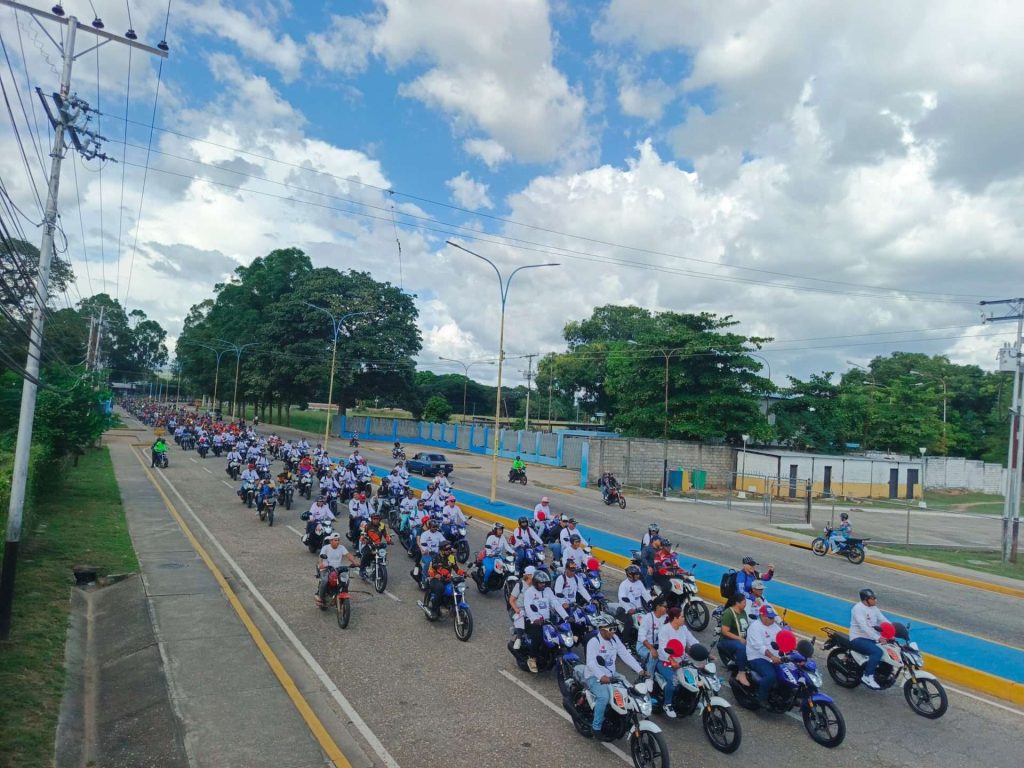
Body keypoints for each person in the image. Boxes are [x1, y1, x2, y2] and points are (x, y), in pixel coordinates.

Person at [584, 613, 645, 741]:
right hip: (594, 676)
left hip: (612, 675)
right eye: (610, 629)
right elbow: (591, 663)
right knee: (604, 697)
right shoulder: (594, 642)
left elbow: (625, 655)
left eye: (614, 629)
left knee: (630, 690)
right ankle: (596, 727)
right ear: (602, 629)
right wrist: (601, 677)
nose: (613, 632)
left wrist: (640, 670)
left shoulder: (615, 639)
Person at [655, 607, 699, 718]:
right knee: (673, 681)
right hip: (666, 662)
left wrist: (702, 651)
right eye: (682, 616)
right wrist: (671, 660)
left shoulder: (683, 629)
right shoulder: (665, 630)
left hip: (682, 661)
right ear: (675, 618)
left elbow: (692, 641)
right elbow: (663, 648)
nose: (684, 618)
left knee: (695, 676)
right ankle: (667, 704)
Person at [522, 570, 568, 673]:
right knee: (538, 635)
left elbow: (555, 603)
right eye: (540, 583)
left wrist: (566, 616)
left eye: (544, 583)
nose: (543, 585)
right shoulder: (529, 592)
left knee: (558, 633)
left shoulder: (548, 591)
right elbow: (529, 608)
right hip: (533, 621)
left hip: (547, 621)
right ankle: (532, 658)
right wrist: (535, 619)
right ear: (535, 582)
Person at [850, 588, 888, 689]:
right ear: (865, 599)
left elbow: (883, 620)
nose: (876, 600)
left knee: (888, 649)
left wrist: (893, 629)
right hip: (858, 638)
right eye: (873, 598)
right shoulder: (857, 609)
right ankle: (867, 676)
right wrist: (878, 637)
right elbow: (864, 627)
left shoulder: (874, 608)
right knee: (877, 652)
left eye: (875, 598)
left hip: (871, 638)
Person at [746, 604, 783, 705]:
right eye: (770, 617)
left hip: (775, 657)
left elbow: (783, 639)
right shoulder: (755, 627)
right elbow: (760, 647)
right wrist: (772, 657)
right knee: (770, 675)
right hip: (758, 657)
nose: (772, 619)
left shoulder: (774, 626)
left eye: (773, 617)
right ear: (762, 616)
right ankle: (761, 698)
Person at [421, 541, 462, 618]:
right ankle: (434, 610)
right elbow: (438, 568)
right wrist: (446, 574)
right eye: (447, 549)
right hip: (435, 579)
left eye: (450, 548)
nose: (449, 550)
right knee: (440, 588)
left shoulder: (452, 557)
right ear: (442, 550)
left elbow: (456, 569)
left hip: (447, 579)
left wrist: (464, 573)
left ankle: (453, 607)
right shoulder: (436, 558)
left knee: (457, 589)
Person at [718, 593, 751, 687]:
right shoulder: (729, 613)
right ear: (737, 603)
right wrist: (739, 638)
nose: (745, 604)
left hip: (741, 639)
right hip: (726, 641)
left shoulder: (743, 612)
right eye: (744, 602)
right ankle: (741, 673)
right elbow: (724, 632)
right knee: (741, 647)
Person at [316, 533, 358, 604]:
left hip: (337, 569)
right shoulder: (326, 548)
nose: (337, 542)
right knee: (325, 580)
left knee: (345, 580)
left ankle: (342, 593)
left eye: (338, 540)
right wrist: (321, 564)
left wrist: (355, 562)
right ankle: (321, 597)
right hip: (326, 568)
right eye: (335, 540)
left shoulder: (341, 547)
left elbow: (348, 555)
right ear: (331, 541)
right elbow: (321, 557)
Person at [636, 598, 668, 676]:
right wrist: (652, 649)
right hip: (643, 646)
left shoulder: (666, 618)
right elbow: (642, 636)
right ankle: (649, 677)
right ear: (658, 607)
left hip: (658, 646)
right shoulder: (647, 618)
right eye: (665, 607)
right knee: (654, 656)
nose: (667, 608)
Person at [358, 511, 392, 579]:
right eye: (374, 519)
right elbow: (363, 534)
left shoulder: (382, 525)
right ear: (372, 519)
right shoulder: (367, 526)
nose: (376, 520)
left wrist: (389, 540)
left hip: (378, 545)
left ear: (379, 519)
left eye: (377, 519)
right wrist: (363, 539)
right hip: (369, 544)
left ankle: (379, 569)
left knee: (383, 555)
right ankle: (362, 570)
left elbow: (385, 534)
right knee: (366, 554)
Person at [508, 566, 535, 647]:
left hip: (530, 610)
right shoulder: (520, 585)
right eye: (534, 575)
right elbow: (511, 600)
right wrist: (517, 610)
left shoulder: (534, 586)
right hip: (518, 610)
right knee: (522, 628)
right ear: (529, 575)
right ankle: (518, 640)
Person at [416, 518, 446, 587]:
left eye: (436, 527)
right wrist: (426, 549)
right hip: (427, 554)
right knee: (429, 562)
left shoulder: (439, 534)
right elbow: (422, 543)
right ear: (430, 527)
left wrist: (449, 547)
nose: (435, 528)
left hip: (437, 554)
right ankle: (424, 580)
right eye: (434, 527)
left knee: (445, 563)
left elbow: (444, 542)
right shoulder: (424, 534)